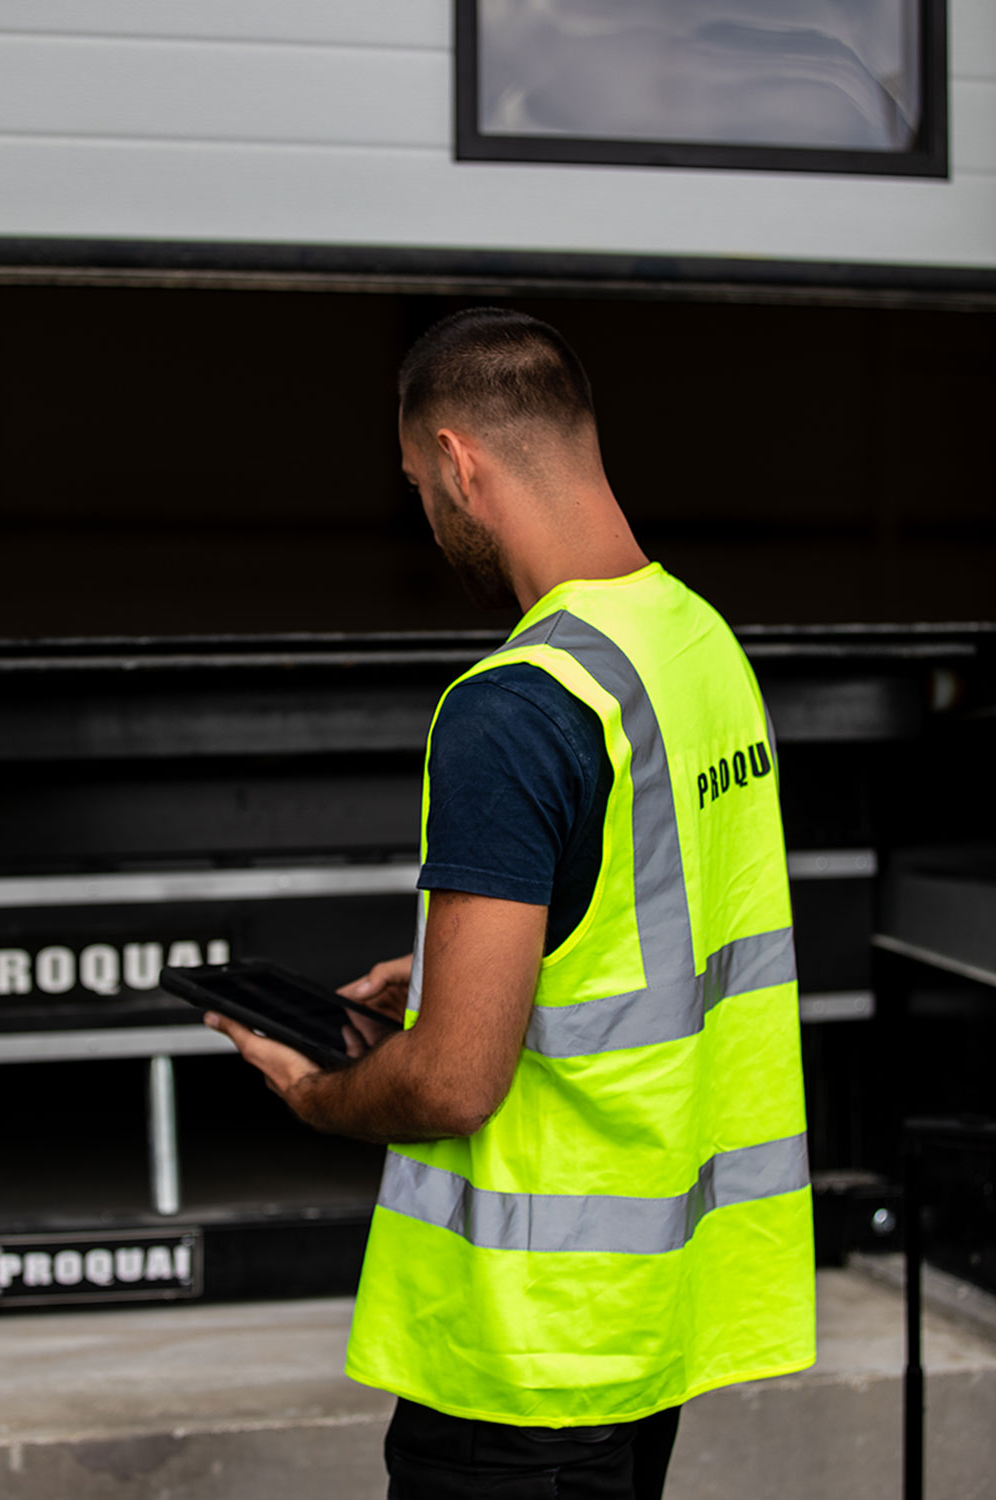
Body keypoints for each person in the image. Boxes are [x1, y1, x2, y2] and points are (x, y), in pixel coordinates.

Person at [203, 307, 816, 1498]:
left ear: (459, 464)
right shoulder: (699, 647)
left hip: (519, 1360)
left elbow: (450, 1082)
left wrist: (320, 1091)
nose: (425, 516)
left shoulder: (515, 707)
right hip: (648, 1330)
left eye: (416, 484)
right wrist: (464, 967)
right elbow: (650, 925)